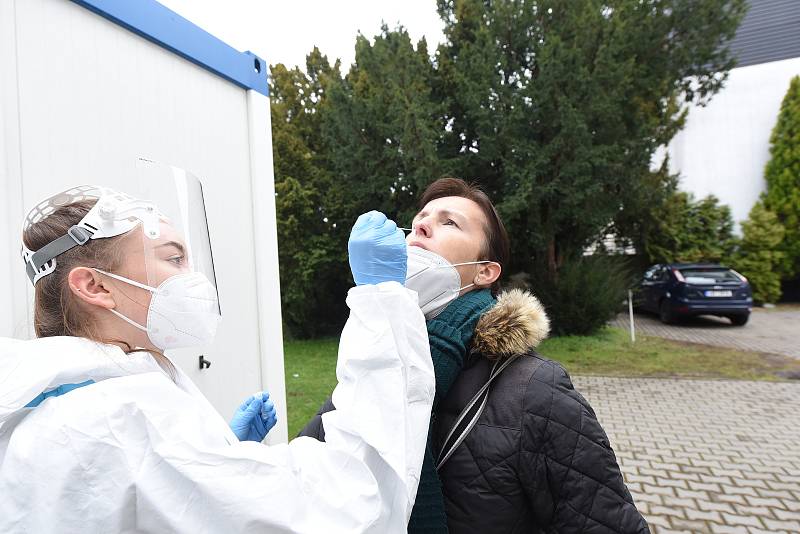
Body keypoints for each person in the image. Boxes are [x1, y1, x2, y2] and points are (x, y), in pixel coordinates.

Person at [0, 176, 435, 533]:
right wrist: (384, 302)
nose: (190, 280)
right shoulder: (122, 419)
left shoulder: (58, 397)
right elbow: (349, 504)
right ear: (95, 287)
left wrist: (224, 455)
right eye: (173, 260)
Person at [299, 178, 649, 533]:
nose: (419, 225)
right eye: (420, 218)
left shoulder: (536, 389)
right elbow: (313, 484)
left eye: (449, 222)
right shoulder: (376, 363)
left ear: (485, 271)